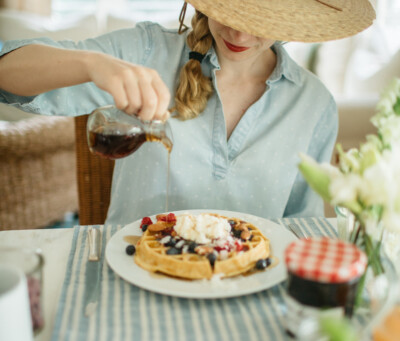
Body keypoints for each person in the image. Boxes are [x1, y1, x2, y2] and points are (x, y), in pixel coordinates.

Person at [0, 0, 375, 225]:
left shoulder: (314, 105)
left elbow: (301, 227)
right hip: (133, 281)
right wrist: (90, 63)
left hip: (251, 295)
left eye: (261, 17)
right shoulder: (148, 51)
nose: (240, 34)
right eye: (231, 6)